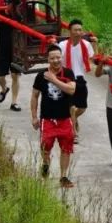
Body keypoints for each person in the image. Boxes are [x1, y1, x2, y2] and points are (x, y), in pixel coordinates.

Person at [31, 44, 77, 189]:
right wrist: (34, 116)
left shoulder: (68, 73)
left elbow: (71, 90)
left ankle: (63, 176)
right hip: (47, 119)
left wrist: (53, 79)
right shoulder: (40, 76)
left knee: (66, 148)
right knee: (45, 147)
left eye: (58, 57)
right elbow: (34, 96)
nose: (56, 60)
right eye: (53, 58)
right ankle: (45, 167)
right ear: (48, 59)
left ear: (61, 57)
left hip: (64, 119)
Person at [57, 19, 94, 135]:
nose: (78, 32)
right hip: (67, 78)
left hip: (80, 78)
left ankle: (73, 118)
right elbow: (56, 61)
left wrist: (95, 44)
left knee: (82, 107)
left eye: (80, 30)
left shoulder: (87, 45)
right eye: (75, 30)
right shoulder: (62, 45)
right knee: (71, 108)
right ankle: (73, 132)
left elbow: (92, 59)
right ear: (69, 32)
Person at [0, 11, 18, 110]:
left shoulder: (18, 12)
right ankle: (4, 89)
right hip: (2, 48)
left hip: (16, 48)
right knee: (0, 77)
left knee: (15, 75)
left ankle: (14, 102)